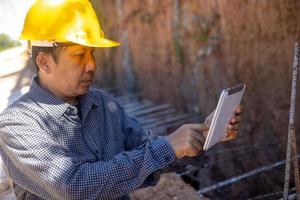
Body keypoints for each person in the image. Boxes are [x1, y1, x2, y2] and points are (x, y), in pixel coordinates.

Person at [0, 0, 242, 199]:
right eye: (79, 55)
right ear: (44, 62)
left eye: (92, 53)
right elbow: (73, 186)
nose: (92, 65)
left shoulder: (102, 105)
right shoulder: (17, 124)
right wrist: (167, 147)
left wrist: (204, 136)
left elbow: (151, 153)